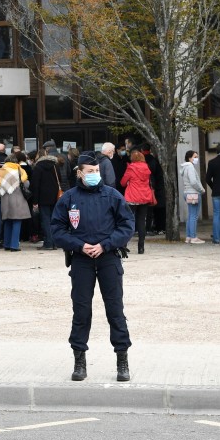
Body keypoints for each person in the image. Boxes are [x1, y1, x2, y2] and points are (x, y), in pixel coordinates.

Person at [50, 151, 135, 383]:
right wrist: (79, 246)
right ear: (79, 173)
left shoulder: (112, 195)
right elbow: (57, 229)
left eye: (97, 171)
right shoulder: (68, 198)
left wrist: (105, 245)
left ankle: (122, 360)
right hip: (81, 261)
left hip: (108, 258)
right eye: (90, 172)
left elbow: (127, 225)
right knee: (81, 311)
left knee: (115, 311)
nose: (94, 175)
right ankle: (79, 361)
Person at [119, 150, 156, 254]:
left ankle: (124, 245)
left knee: (128, 221)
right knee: (141, 221)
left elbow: (122, 183)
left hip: (132, 197)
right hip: (144, 197)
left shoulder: (131, 168)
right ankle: (141, 247)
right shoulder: (146, 168)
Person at [30, 144, 65, 251]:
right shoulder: (55, 165)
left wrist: (34, 200)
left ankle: (48, 243)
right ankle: (54, 242)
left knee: (45, 220)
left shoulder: (38, 167)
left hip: (43, 197)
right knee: (54, 220)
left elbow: (35, 185)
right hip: (55, 196)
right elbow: (60, 180)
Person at [0, 153, 30, 251]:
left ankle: (7, 244)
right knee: (17, 222)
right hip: (18, 200)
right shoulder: (19, 170)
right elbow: (26, 184)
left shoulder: (0, 171)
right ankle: (14, 245)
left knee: (7, 222)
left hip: (5, 200)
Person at [179, 150, 206, 244]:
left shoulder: (185, 167)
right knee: (194, 216)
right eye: (195, 157)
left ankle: (189, 237)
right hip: (193, 193)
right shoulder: (190, 167)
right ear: (189, 158)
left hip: (187, 192)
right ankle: (193, 237)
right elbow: (194, 182)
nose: (196, 159)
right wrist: (201, 189)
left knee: (190, 215)